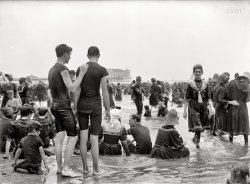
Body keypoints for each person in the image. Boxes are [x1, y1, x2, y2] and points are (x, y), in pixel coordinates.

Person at [48, 44, 88, 177]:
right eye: (70, 54)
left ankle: (59, 167)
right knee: (73, 135)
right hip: (63, 106)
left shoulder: (52, 69)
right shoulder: (63, 69)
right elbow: (72, 88)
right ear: (65, 53)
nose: (70, 57)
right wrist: (81, 73)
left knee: (59, 137)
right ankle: (65, 168)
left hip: (54, 106)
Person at [75, 46, 110, 175]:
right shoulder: (101, 70)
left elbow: (77, 90)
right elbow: (104, 91)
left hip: (82, 105)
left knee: (83, 139)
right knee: (94, 139)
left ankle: (85, 168)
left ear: (87, 55)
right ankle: (96, 170)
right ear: (99, 55)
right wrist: (108, 109)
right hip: (96, 105)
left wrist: (75, 108)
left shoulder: (81, 68)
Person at [183, 64, 214, 148]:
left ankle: (196, 140)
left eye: (199, 72)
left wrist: (211, 108)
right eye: (196, 72)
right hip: (193, 106)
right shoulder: (190, 85)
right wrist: (184, 111)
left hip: (203, 107)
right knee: (198, 126)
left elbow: (208, 98)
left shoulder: (206, 85)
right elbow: (186, 99)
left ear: (202, 72)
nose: (197, 73)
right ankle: (197, 146)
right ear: (193, 72)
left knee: (201, 127)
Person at [226, 72, 250, 144]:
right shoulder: (247, 86)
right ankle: (246, 144)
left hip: (233, 105)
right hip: (243, 106)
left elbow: (228, 95)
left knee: (232, 125)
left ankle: (231, 142)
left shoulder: (232, 83)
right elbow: (248, 99)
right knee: (245, 125)